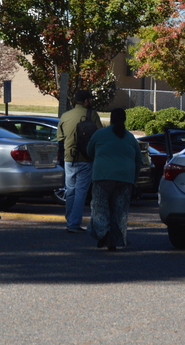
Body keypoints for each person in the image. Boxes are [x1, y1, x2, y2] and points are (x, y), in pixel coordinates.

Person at [86, 107, 143, 251]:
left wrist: (100, 158)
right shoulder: (130, 137)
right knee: (119, 210)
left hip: (103, 175)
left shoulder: (100, 134)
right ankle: (114, 240)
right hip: (125, 178)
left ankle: (103, 232)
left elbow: (89, 151)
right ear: (124, 119)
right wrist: (134, 179)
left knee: (100, 207)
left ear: (111, 118)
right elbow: (138, 159)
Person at [56, 89, 103, 233]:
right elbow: (100, 135)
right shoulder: (92, 115)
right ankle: (73, 223)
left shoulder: (65, 115)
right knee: (81, 191)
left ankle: (70, 219)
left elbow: (60, 138)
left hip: (69, 158)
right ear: (86, 101)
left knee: (70, 190)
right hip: (86, 158)